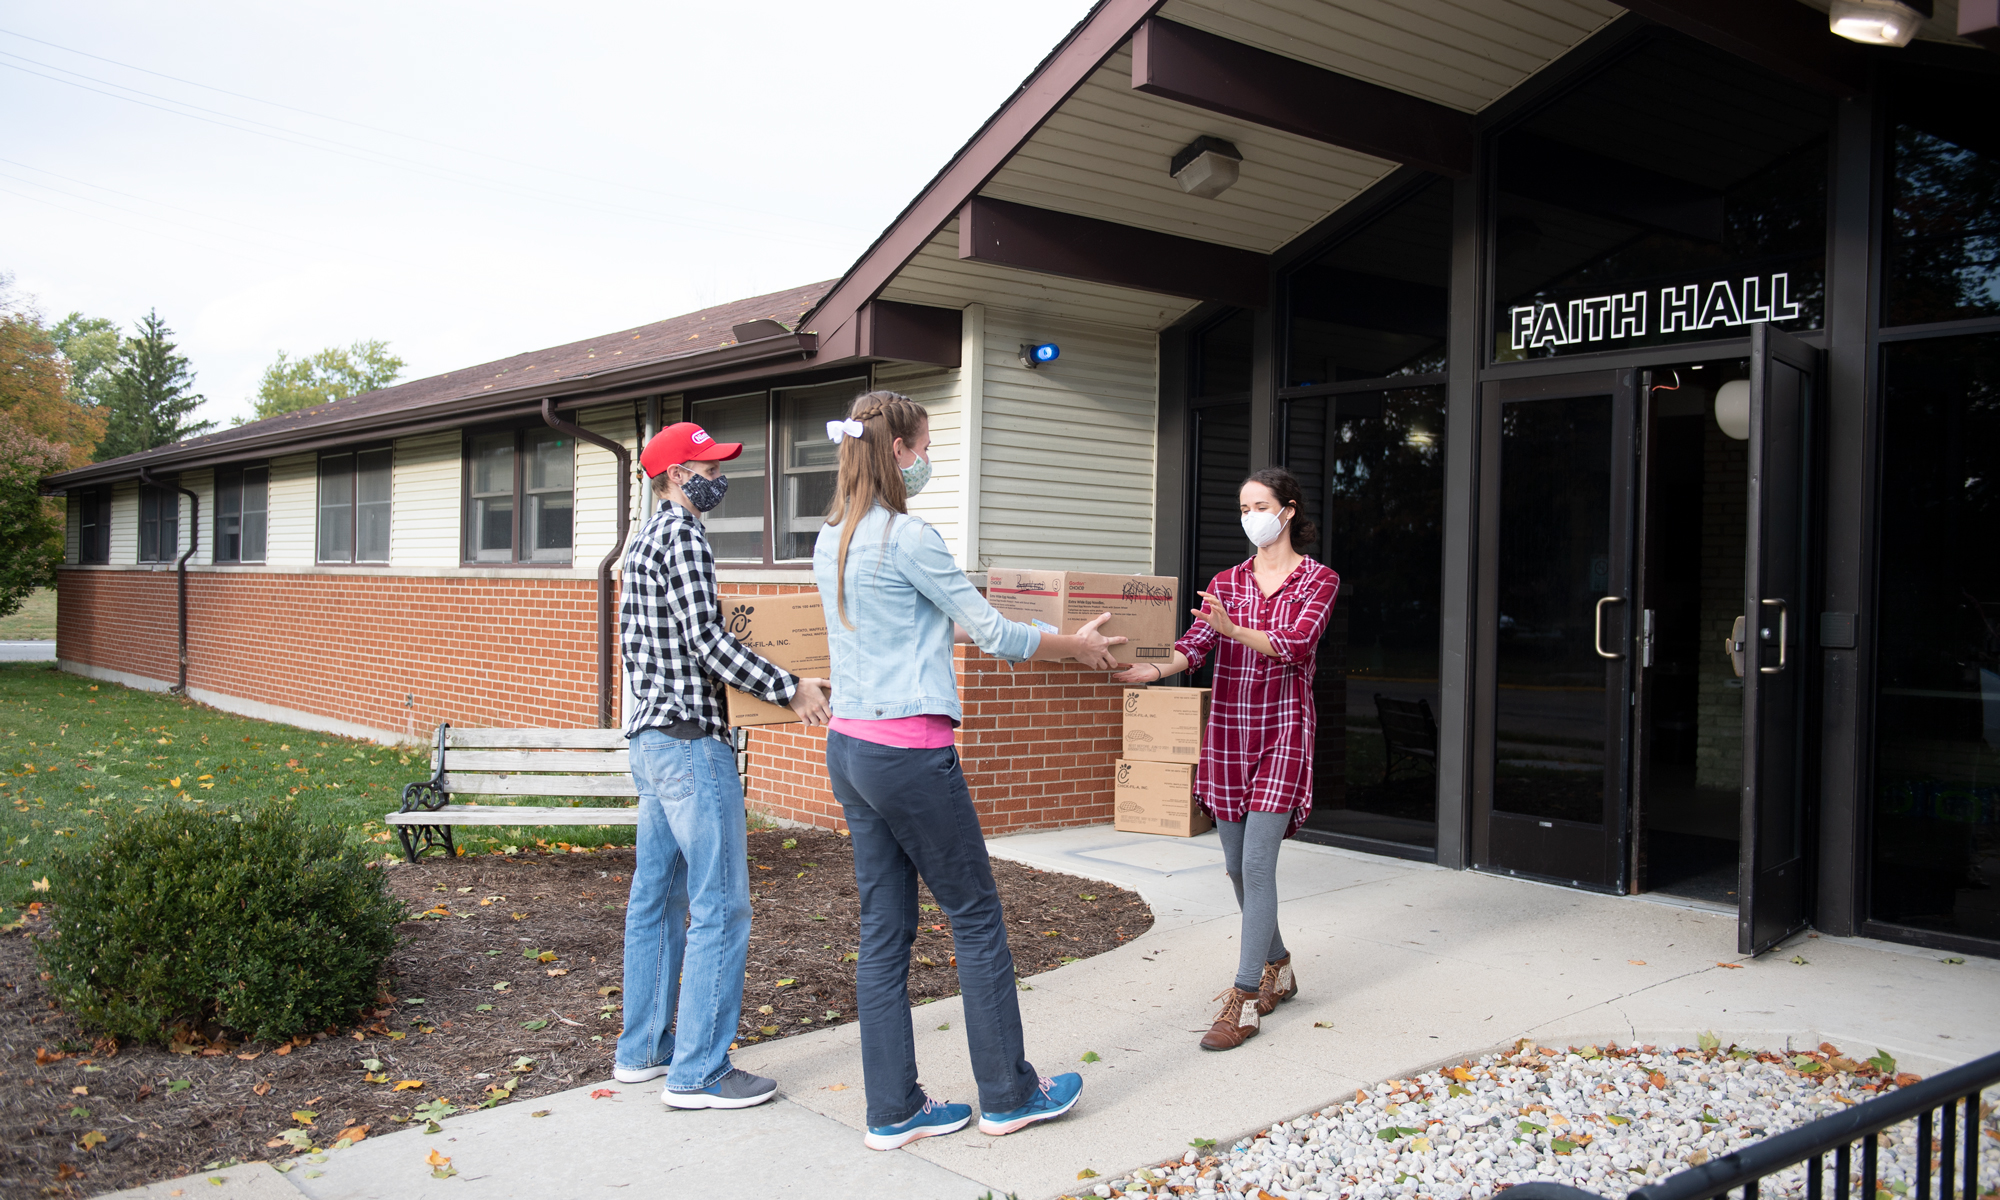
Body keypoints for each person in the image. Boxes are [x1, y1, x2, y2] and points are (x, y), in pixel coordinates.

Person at [812, 390, 1124, 1151]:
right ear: (898, 453)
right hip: (909, 755)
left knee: (884, 932)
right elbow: (989, 633)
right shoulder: (909, 535)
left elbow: (940, 614)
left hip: (849, 751)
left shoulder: (831, 538)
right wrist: (1075, 647)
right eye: (922, 448)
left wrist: (1042, 629)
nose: (927, 462)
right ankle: (1010, 1096)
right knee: (977, 919)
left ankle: (893, 1110)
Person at [615, 420, 832, 1109]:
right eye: (708, 466)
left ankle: (644, 1051)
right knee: (720, 905)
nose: (719, 477)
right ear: (678, 474)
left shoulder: (642, 540)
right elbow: (707, 640)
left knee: (657, 900)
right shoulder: (681, 534)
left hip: (652, 743)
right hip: (689, 747)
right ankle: (700, 1073)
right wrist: (788, 687)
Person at [1112, 466, 1337, 1052]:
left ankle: (1242, 1000)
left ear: (1288, 510)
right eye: (1241, 508)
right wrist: (1152, 671)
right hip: (1229, 733)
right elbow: (1197, 645)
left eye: (1258, 505)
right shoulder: (1227, 579)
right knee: (1237, 867)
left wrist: (1232, 627)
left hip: (1284, 729)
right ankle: (1280, 967)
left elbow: (1293, 646)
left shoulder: (1319, 579)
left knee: (1258, 865)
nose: (1249, 517)